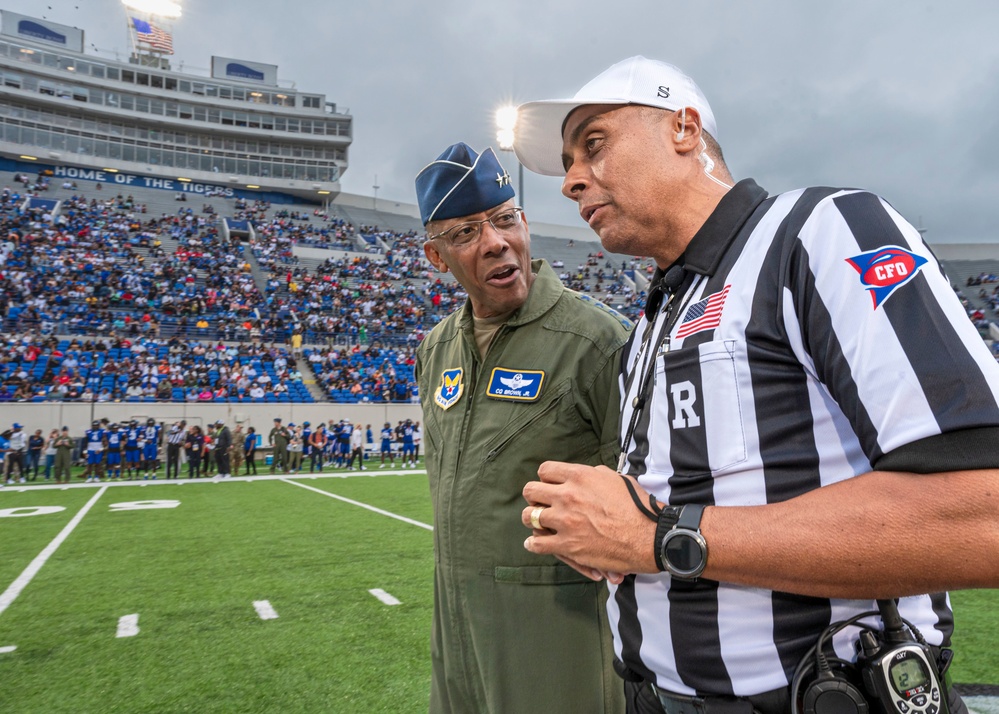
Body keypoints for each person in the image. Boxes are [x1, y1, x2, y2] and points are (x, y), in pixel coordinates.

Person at [512, 56, 999, 714]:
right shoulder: (655, 319)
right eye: (568, 164)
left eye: (592, 144)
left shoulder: (818, 230)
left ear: (683, 129)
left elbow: (983, 513)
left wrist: (657, 537)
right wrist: (607, 535)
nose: (571, 181)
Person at [413, 141, 631, 713]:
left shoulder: (598, 343)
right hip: (456, 628)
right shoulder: (437, 349)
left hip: (559, 637)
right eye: (464, 233)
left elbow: (644, 500)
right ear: (437, 257)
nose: (494, 242)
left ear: (524, 223)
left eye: (504, 220)